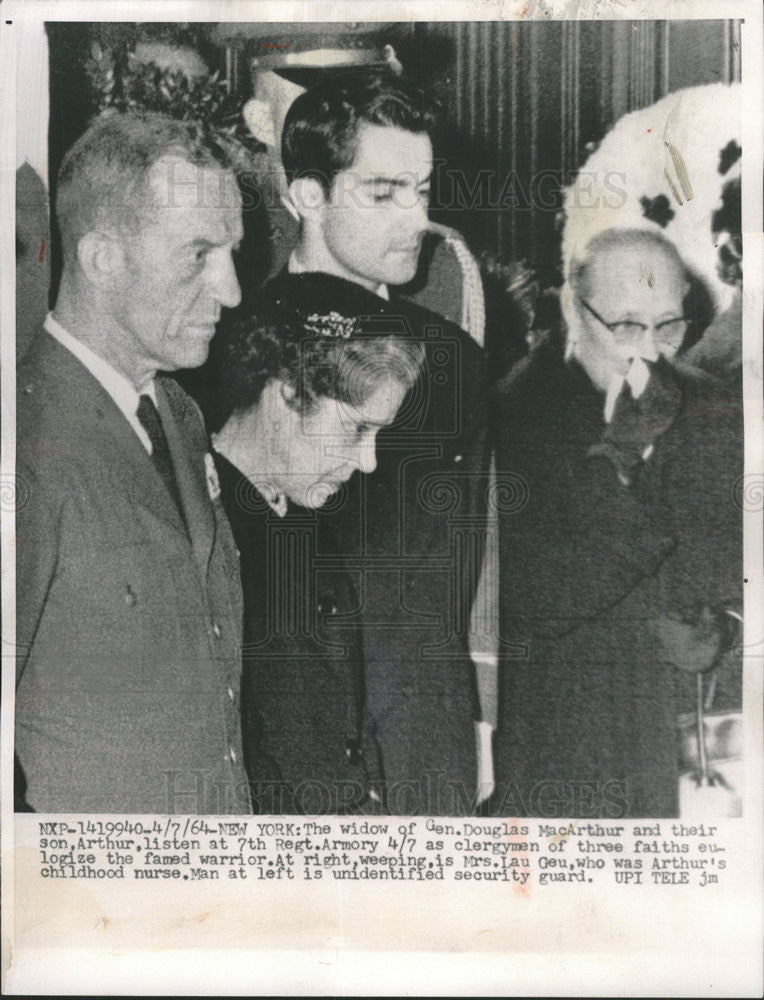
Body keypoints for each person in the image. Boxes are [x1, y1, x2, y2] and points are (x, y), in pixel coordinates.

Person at [257, 71, 489, 814]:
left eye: (422, 191)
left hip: (429, 761)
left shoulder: (454, 362)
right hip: (288, 771)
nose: (414, 218)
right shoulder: (225, 353)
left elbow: (463, 569)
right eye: (383, 193)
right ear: (307, 196)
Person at [15, 110, 250, 814]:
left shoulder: (177, 413)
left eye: (231, 251)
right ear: (102, 259)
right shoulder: (24, 439)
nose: (232, 291)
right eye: (198, 255)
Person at [492, 227, 742, 818]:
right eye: (627, 326)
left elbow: (738, 558)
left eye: (670, 326)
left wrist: (725, 626)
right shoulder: (513, 413)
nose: (652, 353)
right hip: (567, 747)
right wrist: (626, 448)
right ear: (570, 310)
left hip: (688, 745)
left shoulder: (714, 405)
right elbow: (536, 596)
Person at [211, 310, 424, 814]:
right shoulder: (199, 521)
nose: (369, 461)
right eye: (356, 430)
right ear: (285, 392)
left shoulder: (308, 519)